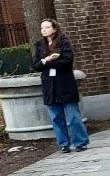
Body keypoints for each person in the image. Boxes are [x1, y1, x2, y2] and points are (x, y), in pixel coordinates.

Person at [32, 18, 90, 153]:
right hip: (49, 86)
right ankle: (64, 143)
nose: (44, 30)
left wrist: (49, 62)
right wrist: (44, 61)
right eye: (42, 28)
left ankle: (81, 142)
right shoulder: (39, 45)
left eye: (47, 27)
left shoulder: (63, 42)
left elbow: (68, 60)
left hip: (65, 84)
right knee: (56, 118)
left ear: (54, 29)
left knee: (73, 116)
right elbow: (36, 65)